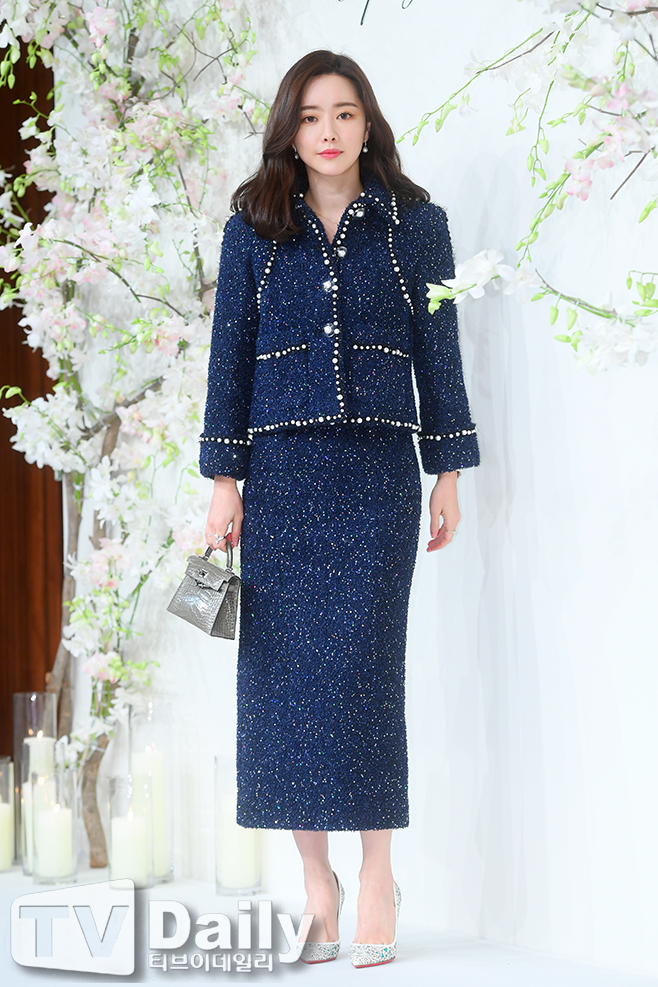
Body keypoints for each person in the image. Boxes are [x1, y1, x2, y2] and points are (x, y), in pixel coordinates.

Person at [200, 50, 480, 968]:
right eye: (312, 116)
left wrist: (447, 468)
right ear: (290, 129)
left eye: (346, 113)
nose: (329, 131)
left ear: (368, 124)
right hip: (281, 480)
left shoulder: (416, 224)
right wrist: (225, 479)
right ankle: (315, 882)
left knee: (364, 676)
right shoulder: (253, 226)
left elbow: (439, 349)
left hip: (377, 479)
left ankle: (378, 875)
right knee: (283, 684)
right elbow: (228, 355)